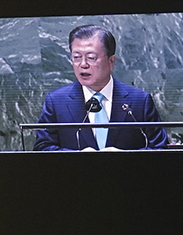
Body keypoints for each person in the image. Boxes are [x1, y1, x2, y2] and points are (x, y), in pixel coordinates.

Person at [33, 25, 169, 151]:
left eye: (91, 58)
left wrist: (125, 157)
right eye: (76, 57)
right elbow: (43, 147)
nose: (83, 64)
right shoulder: (57, 101)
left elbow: (160, 148)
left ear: (111, 61)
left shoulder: (140, 101)